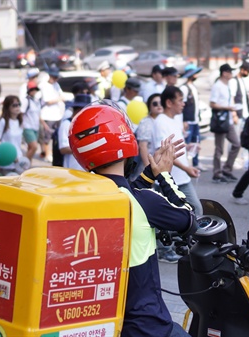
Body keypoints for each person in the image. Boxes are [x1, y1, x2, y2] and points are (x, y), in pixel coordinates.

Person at [68, 102, 196, 337]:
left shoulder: (85, 195)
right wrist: (165, 175)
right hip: (149, 326)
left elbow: (127, 192)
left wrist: (151, 173)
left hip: (109, 322)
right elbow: (188, 217)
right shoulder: (143, 201)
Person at [155, 86, 202, 215]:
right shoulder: (161, 122)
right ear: (169, 103)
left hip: (181, 177)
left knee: (194, 211)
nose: (183, 103)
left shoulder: (174, 119)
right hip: (171, 180)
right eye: (180, 100)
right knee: (192, 211)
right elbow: (164, 152)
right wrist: (186, 168)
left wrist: (189, 147)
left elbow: (175, 146)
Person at [210, 63, 241, 183]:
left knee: (236, 144)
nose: (231, 74)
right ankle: (217, 173)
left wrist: (232, 112)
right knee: (219, 148)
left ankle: (227, 169)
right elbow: (212, 104)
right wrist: (228, 108)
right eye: (230, 72)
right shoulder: (217, 86)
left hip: (228, 120)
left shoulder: (227, 85)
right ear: (224, 73)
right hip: (220, 121)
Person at [0, 96, 25, 175]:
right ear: (7, 107)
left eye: (18, 104)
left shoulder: (19, 121)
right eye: (14, 105)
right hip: (6, 162)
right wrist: (9, 155)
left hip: (18, 160)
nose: (17, 107)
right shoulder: (3, 121)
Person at [57, 94, 91, 170]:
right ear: (79, 110)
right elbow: (63, 148)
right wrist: (85, 148)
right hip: (72, 170)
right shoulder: (66, 124)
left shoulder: (87, 124)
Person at [39, 66, 65, 163]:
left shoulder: (56, 85)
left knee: (55, 136)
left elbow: (61, 94)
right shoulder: (44, 86)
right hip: (48, 115)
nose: (55, 79)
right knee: (47, 136)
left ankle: (52, 152)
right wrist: (59, 99)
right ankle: (47, 153)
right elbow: (48, 101)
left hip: (57, 114)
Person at [179, 64, 203, 169]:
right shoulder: (184, 88)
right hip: (188, 121)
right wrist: (183, 120)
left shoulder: (193, 87)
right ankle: (185, 163)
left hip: (195, 120)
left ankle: (196, 162)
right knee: (186, 143)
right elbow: (182, 105)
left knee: (196, 142)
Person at [136, 93, 163, 173]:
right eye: (155, 104)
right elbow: (143, 146)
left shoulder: (164, 120)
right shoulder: (146, 122)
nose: (159, 105)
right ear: (149, 106)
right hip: (150, 166)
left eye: (161, 103)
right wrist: (149, 168)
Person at [20, 80, 45, 163]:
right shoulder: (26, 101)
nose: (34, 91)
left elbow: (38, 115)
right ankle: (23, 164)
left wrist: (45, 126)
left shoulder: (36, 101)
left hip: (35, 127)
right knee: (34, 147)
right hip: (27, 127)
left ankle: (28, 165)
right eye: (32, 89)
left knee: (30, 148)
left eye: (35, 89)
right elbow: (21, 113)